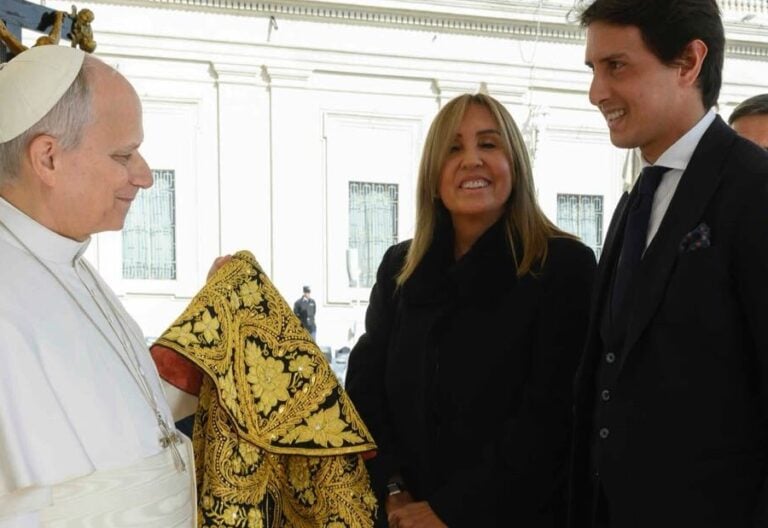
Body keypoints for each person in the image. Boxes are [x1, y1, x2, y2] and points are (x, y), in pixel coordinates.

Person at [346, 93, 596, 527]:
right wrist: (394, 489)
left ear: (515, 165)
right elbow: (365, 390)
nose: (472, 160)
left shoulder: (563, 266)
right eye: (453, 149)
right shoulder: (399, 269)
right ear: (433, 176)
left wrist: (448, 511)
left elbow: (552, 415)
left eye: (489, 144)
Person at [570, 1, 768, 527]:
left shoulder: (755, 188)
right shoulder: (636, 198)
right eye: (593, 69)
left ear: (688, 62)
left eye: (616, 66)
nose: (596, 92)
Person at [0, 45, 195, 526]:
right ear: (47, 158)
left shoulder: (70, 263)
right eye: (123, 155)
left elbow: (118, 432)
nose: (144, 176)